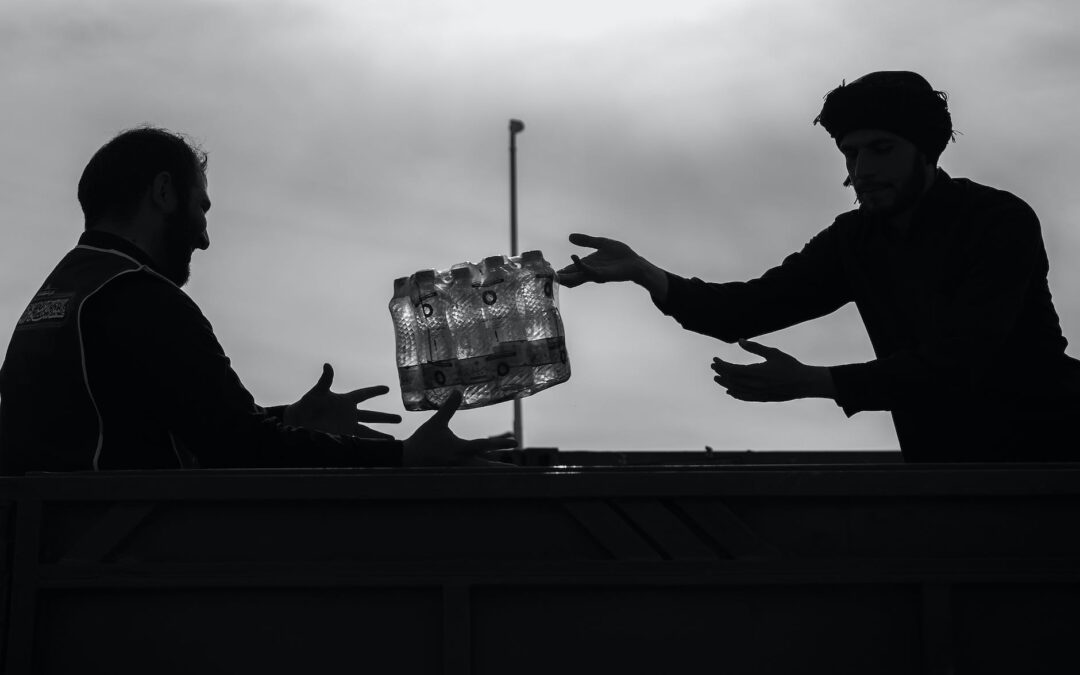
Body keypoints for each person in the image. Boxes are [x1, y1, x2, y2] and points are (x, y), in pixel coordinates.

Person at [559, 71, 1080, 462]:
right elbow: (747, 309)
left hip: (1052, 463)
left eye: (881, 150)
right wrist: (647, 274)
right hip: (947, 477)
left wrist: (817, 381)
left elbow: (962, 360)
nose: (861, 171)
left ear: (927, 152)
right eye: (850, 154)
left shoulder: (996, 221)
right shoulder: (856, 240)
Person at [0, 126, 515, 474]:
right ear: (163, 193)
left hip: (53, 549)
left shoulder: (65, 294)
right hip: (111, 568)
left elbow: (181, 424)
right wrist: (403, 458)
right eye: (201, 208)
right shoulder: (140, 299)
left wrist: (289, 418)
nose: (203, 238)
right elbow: (236, 445)